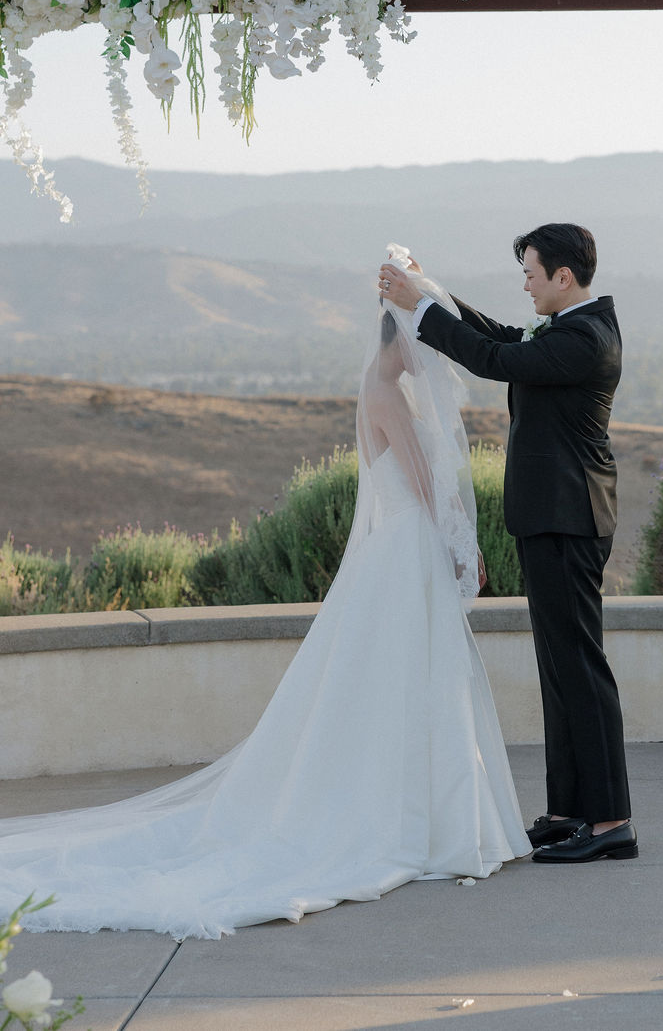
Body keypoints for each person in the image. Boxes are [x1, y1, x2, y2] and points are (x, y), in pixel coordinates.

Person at [0, 252, 530, 939]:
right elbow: (426, 485)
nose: (432, 356)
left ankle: (436, 821)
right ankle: (434, 827)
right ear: (404, 336)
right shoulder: (388, 394)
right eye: (424, 339)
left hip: (396, 549)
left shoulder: (374, 384)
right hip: (407, 550)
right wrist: (467, 547)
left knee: (402, 681)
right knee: (415, 680)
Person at [379, 222, 636, 863]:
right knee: (557, 668)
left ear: (563, 277)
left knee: (580, 669)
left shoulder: (587, 339)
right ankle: (568, 810)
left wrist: (421, 308)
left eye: (529, 273)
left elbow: (496, 361)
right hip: (549, 518)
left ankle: (611, 824)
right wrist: (431, 290)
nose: (524, 283)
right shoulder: (567, 327)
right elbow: (499, 335)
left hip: (570, 519)